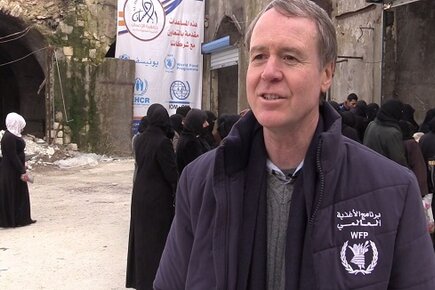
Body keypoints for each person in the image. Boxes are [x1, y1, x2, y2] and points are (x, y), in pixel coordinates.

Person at [155, 0, 435, 289]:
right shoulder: (200, 183)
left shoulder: (394, 191)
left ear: (326, 73)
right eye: (259, 56)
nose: (269, 72)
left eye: (289, 57)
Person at [126, 104, 178, 290]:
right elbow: (171, 174)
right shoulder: (162, 142)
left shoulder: (140, 139)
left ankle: (140, 280)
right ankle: (155, 280)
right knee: (157, 241)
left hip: (140, 194)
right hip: (157, 198)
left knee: (141, 240)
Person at [0, 112, 36, 227]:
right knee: (13, 193)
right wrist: (22, 171)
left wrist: (23, 165)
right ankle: (12, 221)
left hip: (16, 169)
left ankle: (22, 219)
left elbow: (18, 153)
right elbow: (12, 156)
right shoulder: (9, 137)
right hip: (10, 171)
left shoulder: (12, 135)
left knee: (20, 194)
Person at [363, 99, 408, 167]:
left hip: (369, 166)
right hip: (384, 171)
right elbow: (398, 160)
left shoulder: (371, 124)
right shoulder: (393, 133)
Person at [175, 108, 209, 173]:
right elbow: (198, 166)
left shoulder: (193, 137)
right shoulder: (190, 142)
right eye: (204, 122)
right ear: (196, 123)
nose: (207, 124)